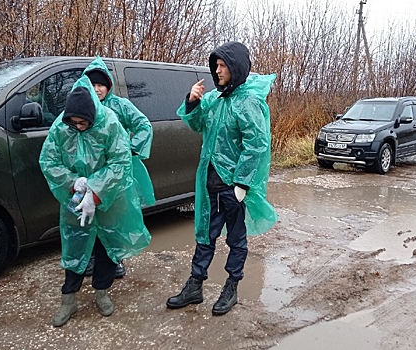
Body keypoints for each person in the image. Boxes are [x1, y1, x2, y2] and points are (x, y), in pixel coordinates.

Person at [166, 41, 277, 316]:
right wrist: (192, 102)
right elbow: (197, 124)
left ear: (235, 68)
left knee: (236, 240)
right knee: (205, 234)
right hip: (209, 183)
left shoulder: (248, 103)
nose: (217, 71)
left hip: (232, 187)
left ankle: (232, 286)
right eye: (216, 65)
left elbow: (257, 145)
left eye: (222, 65)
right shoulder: (215, 99)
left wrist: (242, 182)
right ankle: (195, 285)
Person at [39, 75, 151, 327]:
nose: (78, 126)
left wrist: (97, 190)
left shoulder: (110, 124)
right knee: (74, 243)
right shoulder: (61, 127)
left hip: (110, 195)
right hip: (75, 195)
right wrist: (74, 182)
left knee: (107, 245)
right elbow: (48, 161)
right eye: (74, 122)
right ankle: (68, 298)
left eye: (83, 123)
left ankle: (102, 291)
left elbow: (120, 162)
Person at [82, 56, 155, 279]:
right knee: (91, 216)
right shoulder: (82, 107)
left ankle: (117, 259)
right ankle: (93, 258)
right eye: (92, 85)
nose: (97, 89)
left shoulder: (119, 106)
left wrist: (131, 149)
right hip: (91, 173)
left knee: (115, 216)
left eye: (101, 85)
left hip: (116, 174)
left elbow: (144, 125)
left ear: (108, 86)